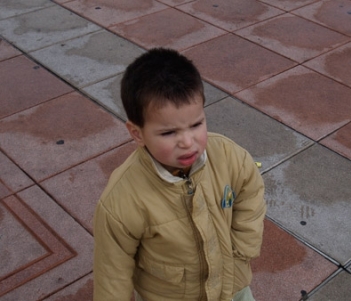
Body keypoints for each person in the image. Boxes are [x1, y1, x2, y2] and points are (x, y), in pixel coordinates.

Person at [93, 48, 267, 301]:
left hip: (232, 284)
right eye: (168, 133)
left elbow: (250, 193)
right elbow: (112, 271)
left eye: (196, 124)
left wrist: (242, 249)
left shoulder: (229, 156)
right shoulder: (121, 199)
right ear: (137, 133)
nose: (187, 142)